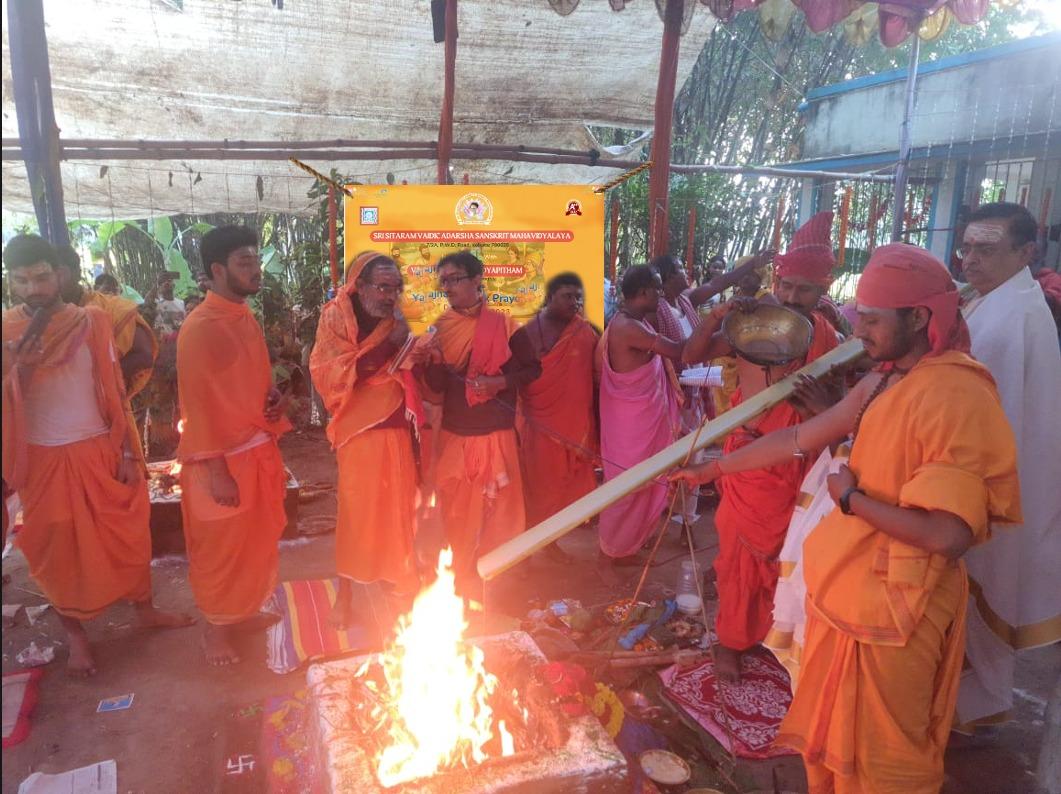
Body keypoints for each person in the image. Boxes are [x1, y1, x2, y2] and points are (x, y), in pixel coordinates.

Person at [672, 243, 1021, 793]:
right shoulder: (881, 380)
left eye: (874, 321)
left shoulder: (956, 393)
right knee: (836, 743)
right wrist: (713, 470)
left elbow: (947, 534)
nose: (860, 332)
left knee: (886, 757)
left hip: (899, 610)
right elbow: (799, 436)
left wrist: (851, 500)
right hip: (848, 588)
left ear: (919, 317)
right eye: (861, 318)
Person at [2, 235, 191, 676]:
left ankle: (145, 609)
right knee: (56, 550)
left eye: (41, 277)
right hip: (42, 460)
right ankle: (77, 637)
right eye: (21, 281)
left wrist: (127, 452)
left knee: (128, 534)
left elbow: (113, 391)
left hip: (100, 449)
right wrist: (21, 366)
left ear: (59, 274)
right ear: (11, 282)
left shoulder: (92, 321)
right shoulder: (5, 330)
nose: (33, 289)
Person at [680, 211, 841, 681]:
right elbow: (690, 356)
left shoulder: (828, 336)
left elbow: (840, 403)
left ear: (824, 289)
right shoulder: (753, 323)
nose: (791, 297)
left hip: (802, 465)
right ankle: (730, 641)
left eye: (804, 290)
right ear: (776, 278)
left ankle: (776, 635)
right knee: (738, 559)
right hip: (749, 464)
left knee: (789, 559)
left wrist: (821, 408)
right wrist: (717, 316)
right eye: (786, 285)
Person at [954, 202, 1061, 730]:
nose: (971, 259)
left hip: (990, 477)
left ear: (1026, 253)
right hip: (992, 468)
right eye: (967, 247)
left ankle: (970, 706)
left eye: (987, 249)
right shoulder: (994, 297)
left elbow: (972, 408)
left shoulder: (1012, 316)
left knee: (981, 581)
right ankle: (970, 704)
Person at [176, 226, 292, 665]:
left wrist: (272, 398)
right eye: (245, 262)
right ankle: (216, 629)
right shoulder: (200, 328)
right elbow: (196, 406)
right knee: (222, 549)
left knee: (254, 545)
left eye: (255, 260)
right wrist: (217, 470)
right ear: (217, 270)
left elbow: (248, 383)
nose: (255, 270)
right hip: (221, 462)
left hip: (257, 448)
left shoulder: (243, 316)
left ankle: (241, 613)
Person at [310, 251, 422, 627]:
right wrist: (390, 344)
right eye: (383, 287)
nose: (390, 296)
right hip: (358, 430)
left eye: (396, 288)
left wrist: (416, 351)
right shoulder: (335, 316)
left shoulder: (395, 319)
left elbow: (401, 364)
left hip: (396, 424)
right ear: (359, 285)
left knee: (398, 511)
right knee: (357, 515)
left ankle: (397, 579)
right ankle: (346, 596)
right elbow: (330, 374)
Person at [420, 250, 540, 587]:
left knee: (498, 513)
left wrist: (498, 382)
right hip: (456, 435)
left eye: (455, 279)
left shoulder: (505, 324)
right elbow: (436, 386)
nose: (448, 287)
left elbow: (533, 369)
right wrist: (435, 360)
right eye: (443, 281)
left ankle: (495, 579)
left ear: (477, 280)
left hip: (496, 434)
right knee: (457, 513)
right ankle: (460, 578)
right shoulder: (441, 328)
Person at [596, 265, 684, 562]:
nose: (662, 294)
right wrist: (717, 327)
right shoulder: (628, 327)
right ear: (644, 292)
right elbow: (679, 351)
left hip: (640, 420)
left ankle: (627, 546)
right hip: (631, 427)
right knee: (627, 488)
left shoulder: (636, 322)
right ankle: (609, 552)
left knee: (642, 486)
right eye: (658, 288)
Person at [511, 273, 599, 543]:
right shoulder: (526, 333)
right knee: (539, 490)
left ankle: (550, 544)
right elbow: (515, 379)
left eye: (577, 297)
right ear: (549, 298)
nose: (574, 302)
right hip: (539, 426)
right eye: (567, 296)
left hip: (575, 427)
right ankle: (529, 550)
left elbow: (597, 375)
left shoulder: (584, 331)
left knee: (566, 490)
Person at [56, 245, 157, 465]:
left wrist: (98, 388)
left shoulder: (110, 308)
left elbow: (143, 355)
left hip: (108, 419)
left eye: (59, 273)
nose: (51, 283)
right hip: (57, 433)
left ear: (76, 273)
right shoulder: (34, 319)